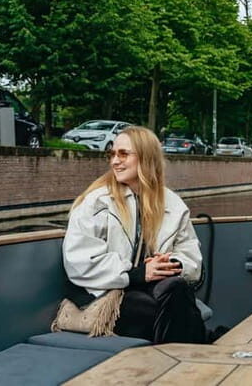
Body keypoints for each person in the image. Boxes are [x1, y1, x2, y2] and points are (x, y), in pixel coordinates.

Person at [63, 125, 206, 343]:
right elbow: (80, 261)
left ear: (147, 158)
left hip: (154, 288)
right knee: (156, 309)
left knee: (176, 289)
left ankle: (178, 356)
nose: (115, 161)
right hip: (105, 294)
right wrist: (138, 274)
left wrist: (170, 265)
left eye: (123, 154)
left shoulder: (173, 204)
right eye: (112, 154)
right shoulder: (97, 203)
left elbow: (192, 258)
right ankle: (199, 349)